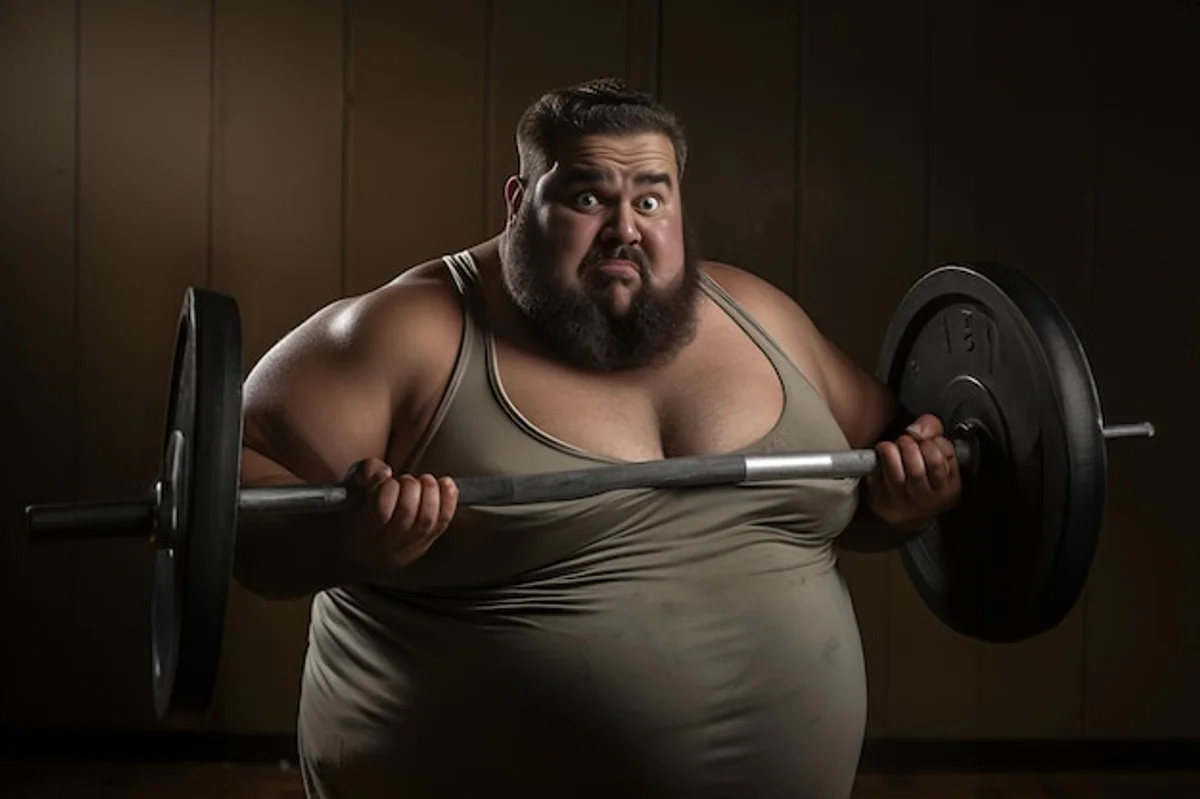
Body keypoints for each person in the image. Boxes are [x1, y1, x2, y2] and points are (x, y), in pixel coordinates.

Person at [234, 78, 962, 799]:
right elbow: (231, 497)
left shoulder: (761, 316)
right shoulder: (407, 335)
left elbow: (877, 484)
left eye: (650, 198)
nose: (625, 227)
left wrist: (907, 504)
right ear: (520, 203)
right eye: (588, 198)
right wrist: (344, 543)